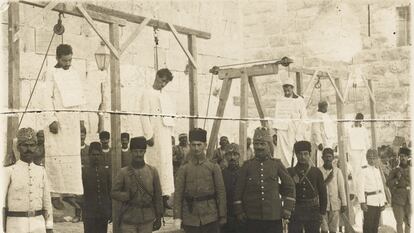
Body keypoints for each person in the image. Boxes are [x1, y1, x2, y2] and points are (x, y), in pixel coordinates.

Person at [41, 44, 84, 209]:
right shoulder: (50, 74)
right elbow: (45, 97)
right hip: (57, 121)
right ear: (57, 58)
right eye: (65, 60)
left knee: (72, 156)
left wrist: (81, 121)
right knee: (56, 156)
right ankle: (55, 194)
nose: (68, 63)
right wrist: (51, 118)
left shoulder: (74, 73)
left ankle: (70, 192)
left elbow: (79, 97)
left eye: (70, 60)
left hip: (71, 121)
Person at [234, 127, 296, 233]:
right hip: (251, 217)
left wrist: (287, 208)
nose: (259, 147)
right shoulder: (247, 166)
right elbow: (238, 190)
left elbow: (289, 186)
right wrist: (239, 211)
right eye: (256, 144)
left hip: (273, 216)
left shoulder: (276, 164)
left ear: (269, 145)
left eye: (262, 144)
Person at [174, 128, 226, 233]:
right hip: (190, 218)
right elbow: (178, 194)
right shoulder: (184, 168)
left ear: (205, 145)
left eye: (199, 145)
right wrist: (177, 217)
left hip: (210, 217)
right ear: (189, 146)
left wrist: (222, 215)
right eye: (193, 145)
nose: (196, 148)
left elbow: (221, 192)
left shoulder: (213, 167)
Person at [3, 128, 53, 233]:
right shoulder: (9, 171)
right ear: (18, 147)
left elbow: (47, 202)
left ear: (36, 147)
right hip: (15, 226)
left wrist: (49, 226)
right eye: (25, 145)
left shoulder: (41, 171)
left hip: (38, 224)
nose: (28, 149)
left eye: (32, 145)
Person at [139, 68, 176, 205]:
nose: (163, 84)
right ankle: (154, 196)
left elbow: (171, 115)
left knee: (166, 164)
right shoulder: (147, 93)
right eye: (162, 81)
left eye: (166, 82)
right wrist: (148, 134)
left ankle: (165, 196)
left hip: (165, 133)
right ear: (157, 77)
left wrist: (172, 133)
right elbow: (144, 115)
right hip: (155, 134)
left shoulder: (166, 96)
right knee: (155, 163)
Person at [112, 136, 163, 233]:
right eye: (135, 151)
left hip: (147, 220)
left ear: (145, 152)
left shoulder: (152, 171)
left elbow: (158, 196)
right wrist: (126, 195)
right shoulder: (123, 172)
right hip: (128, 219)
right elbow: (114, 192)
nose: (138, 154)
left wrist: (159, 216)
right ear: (131, 152)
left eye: (141, 151)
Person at [287, 141, 327, 233]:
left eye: (305, 154)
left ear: (310, 154)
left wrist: (322, 213)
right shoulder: (290, 172)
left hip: (313, 211)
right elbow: (284, 191)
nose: (303, 157)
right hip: (295, 211)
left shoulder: (316, 172)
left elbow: (323, 194)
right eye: (300, 154)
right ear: (296, 155)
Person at [273, 79, 308, 167]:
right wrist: (275, 133)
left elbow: (304, 118)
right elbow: (276, 115)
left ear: (292, 88)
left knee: (295, 153)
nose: (286, 91)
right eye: (285, 89)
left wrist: (299, 133)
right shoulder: (280, 100)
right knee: (281, 153)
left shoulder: (299, 100)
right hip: (282, 130)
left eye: (288, 89)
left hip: (295, 131)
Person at [81, 142, 112, 233]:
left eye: (98, 154)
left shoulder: (106, 171)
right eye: (93, 154)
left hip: (103, 212)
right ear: (89, 155)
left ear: (101, 156)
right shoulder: (84, 171)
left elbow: (109, 192)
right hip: (89, 213)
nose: (96, 157)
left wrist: (109, 210)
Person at [358, 149, 387, 233]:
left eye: (374, 158)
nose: (372, 160)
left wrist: (383, 201)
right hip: (369, 202)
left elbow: (381, 187)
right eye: (370, 158)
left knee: (375, 226)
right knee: (368, 226)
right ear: (366, 158)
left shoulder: (377, 170)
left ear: (377, 158)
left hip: (378, 201)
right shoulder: (363, 170)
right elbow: (360, 187)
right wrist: (362, 202)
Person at [319, 148, 347, 233]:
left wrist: (344, 203)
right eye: (326, 157)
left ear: (333, 158)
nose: (328, 159)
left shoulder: (337, 171)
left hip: (334, 204)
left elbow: (341, 188)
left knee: (333, 229)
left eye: (330, 157)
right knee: (324, 228)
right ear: (322, 157)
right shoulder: (318, 171)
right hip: (322, 205)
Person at [221, 143, 244, 233]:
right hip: (227, 215)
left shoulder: (244, 172)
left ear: (239, 156)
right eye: (229, 154)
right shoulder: (221, 173)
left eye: (235, 154)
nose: (232, 157)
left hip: (241, 215)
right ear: (225, 157)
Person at [387, 147, 411, 233]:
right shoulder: (395, 170)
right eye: (401, 156)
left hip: (410, 199)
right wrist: (397, 178)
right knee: (400, 222)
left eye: (405, 156)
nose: (403, 158)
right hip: (398, 200)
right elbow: (388, 183)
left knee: (409, 222)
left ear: (408, 157)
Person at [311, 101, 336, 166]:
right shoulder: (316, 115)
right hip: (321, 144)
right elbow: (315, 130)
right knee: (319, 161)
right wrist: (319, 143)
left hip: (328, 143)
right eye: (326, 107)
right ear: (322, 107)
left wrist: (333, 143)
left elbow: (331, 130)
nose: (326, 109)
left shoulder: (326, 116)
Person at [346, 113, 370, 177]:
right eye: (357, 119)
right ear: (355, 118)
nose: (357, 121)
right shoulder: (349, 128)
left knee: (362, 170)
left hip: (362, 152)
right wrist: (347, 152)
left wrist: (368, 151)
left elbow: (367, 142)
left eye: (360, 120)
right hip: (352, 152)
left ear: (361, 120)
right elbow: (347, 141)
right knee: (354, 169)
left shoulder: (364, 130)